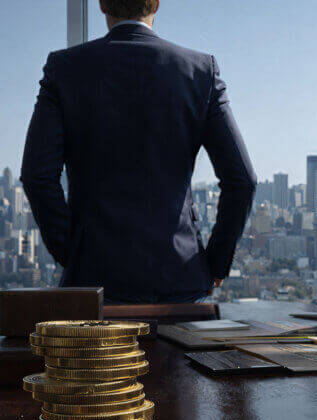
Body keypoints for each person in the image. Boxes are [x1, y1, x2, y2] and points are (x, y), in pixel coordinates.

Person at [21, 0, 256, 303]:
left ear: (103, 5)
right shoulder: (199, 71)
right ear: (156, 4)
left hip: (94, 282)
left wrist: (74, 253)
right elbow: (242, 180)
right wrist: (215, 263)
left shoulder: (64, 69)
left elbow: (37, 176)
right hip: (179, 281)